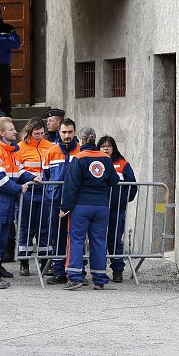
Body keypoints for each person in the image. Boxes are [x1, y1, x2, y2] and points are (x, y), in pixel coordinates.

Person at [0, 116, 39, 289]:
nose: (15, 131)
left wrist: (33, 177)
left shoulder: (11, 152)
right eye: (11, 129)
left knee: (2, 242)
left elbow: (20, 173)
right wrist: (19, 189)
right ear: (1, 132)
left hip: (5, 205)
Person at [60, 127, 119, 290]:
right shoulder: (105, 158)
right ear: (94, 140)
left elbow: (71, 186)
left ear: (82, 140)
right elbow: (114, 181)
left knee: (77, 241)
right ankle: (99, 279)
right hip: (101, 206)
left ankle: (75, 277)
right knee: (99, 242)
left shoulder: (78, 158)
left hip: (81, 206)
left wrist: (65, 207)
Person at [42, 118, 80, 285]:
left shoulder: (81, 151)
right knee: (56, 238)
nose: (67, 135)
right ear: (59, 132)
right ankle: (59, 272)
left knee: (76, 238)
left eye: (70, 132)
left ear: (75, 132)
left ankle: (78, 271)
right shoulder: (50, 152)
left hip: (77, 202)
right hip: (56, 201)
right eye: (64, 132)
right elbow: (46, 177)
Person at [15, 117, 53, 276]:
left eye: (42, 133)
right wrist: (31, 178)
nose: (39, 136)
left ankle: (45, 261)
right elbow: (18, 169)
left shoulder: (50, 146)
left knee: (45, 227)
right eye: (36, 133)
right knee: (26, 227)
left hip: (45, 192)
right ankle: (24, 262)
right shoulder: (19, 148)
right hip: (28, 192)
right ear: (29, 132)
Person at [98, 135, 138, 283]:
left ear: (114, 148)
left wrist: (123, 200)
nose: (106, 148)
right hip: (100, 208)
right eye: (103, 146)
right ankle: (100, 270)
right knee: (99, 240)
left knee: (115, 240)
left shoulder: (122, 164)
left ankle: (117, 270)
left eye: (109, 146)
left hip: (116, 209)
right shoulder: (96, 163)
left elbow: (132, 185)